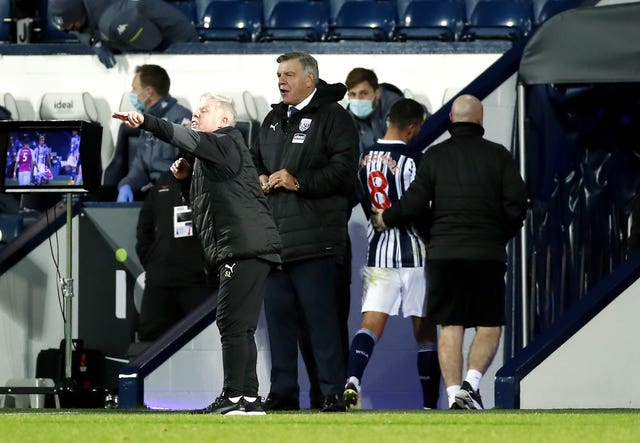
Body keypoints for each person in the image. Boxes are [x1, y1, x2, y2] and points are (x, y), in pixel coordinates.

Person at [113, 92, 281, 416]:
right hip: (249, 247)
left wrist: (145, 121)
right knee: (241, 326)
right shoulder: (214, 157)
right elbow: (204, 209)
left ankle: (234, 395)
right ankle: (248, 398)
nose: (195, 115)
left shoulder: (224, 141)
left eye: (203, 110)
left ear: (222, 121)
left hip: (242, 247)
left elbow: (182, 135)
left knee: (231, 321)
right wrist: (186, 181)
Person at [371, 95, 528, 410]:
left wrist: (388, 217)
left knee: (450, 324)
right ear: (480, 121)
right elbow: (517, 205)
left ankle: (456, 393)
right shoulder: (499, 156)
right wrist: (498, 237)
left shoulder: (434, 156)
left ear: (452, 121)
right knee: (488, 322)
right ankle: (471, 386)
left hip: (444, 254)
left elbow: (415, 205)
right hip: (487, 253)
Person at [251, 51, 359, 412]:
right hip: (276, 242)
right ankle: (283, 392)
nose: (281, 80)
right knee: (279, 325)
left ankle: (330, 393)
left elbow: (344, 171)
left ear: (310, 80)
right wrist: (260, 176)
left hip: (318, 242)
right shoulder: (270, 120)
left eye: (289, 74)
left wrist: (299, 181)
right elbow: (254, 159)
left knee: (323, 326)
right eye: (278, 74)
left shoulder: (334, 118)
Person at [343, 98, 440, 410]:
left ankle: (352, 381)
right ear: (412, 128)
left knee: (370, 324)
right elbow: (421, 208)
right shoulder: (414, 159)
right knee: (424, 331)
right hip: (416, 254)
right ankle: (429, 405)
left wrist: (379, 219)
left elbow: (362, 204)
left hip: (379, 253)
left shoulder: (364, 159)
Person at [133, 168, 216, 354]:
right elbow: (144, 229)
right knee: (148, 346)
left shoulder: (214, 176)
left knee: (206, 346)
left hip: (199, 283)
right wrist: (154, 264)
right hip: (161, 282)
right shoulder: (164, 180)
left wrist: (209, 266)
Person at [116, 65, 192, 202]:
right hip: (151, 192)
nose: (132, 93)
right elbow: (140, 167)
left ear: (149, 92)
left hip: (173, 194)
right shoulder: (145, 120)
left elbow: (186, 169)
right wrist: (126, 184)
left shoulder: (182, 118)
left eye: (135, 88)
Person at [48, 0, 199, 68]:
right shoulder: (79, 14)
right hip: (148, 40)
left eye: (70, 27)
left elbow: (152, 43)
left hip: (178, 42)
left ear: (79, 16)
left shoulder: (112, 21)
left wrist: (110, 43)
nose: (69, 32)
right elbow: (81, 32)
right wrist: (95, 42)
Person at [345, 67, 406, 153]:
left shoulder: (395, 108)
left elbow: (396, 151)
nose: (358, 99)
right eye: (353, 94)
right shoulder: (348, 117)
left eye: (364, 93)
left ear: (377, 93)